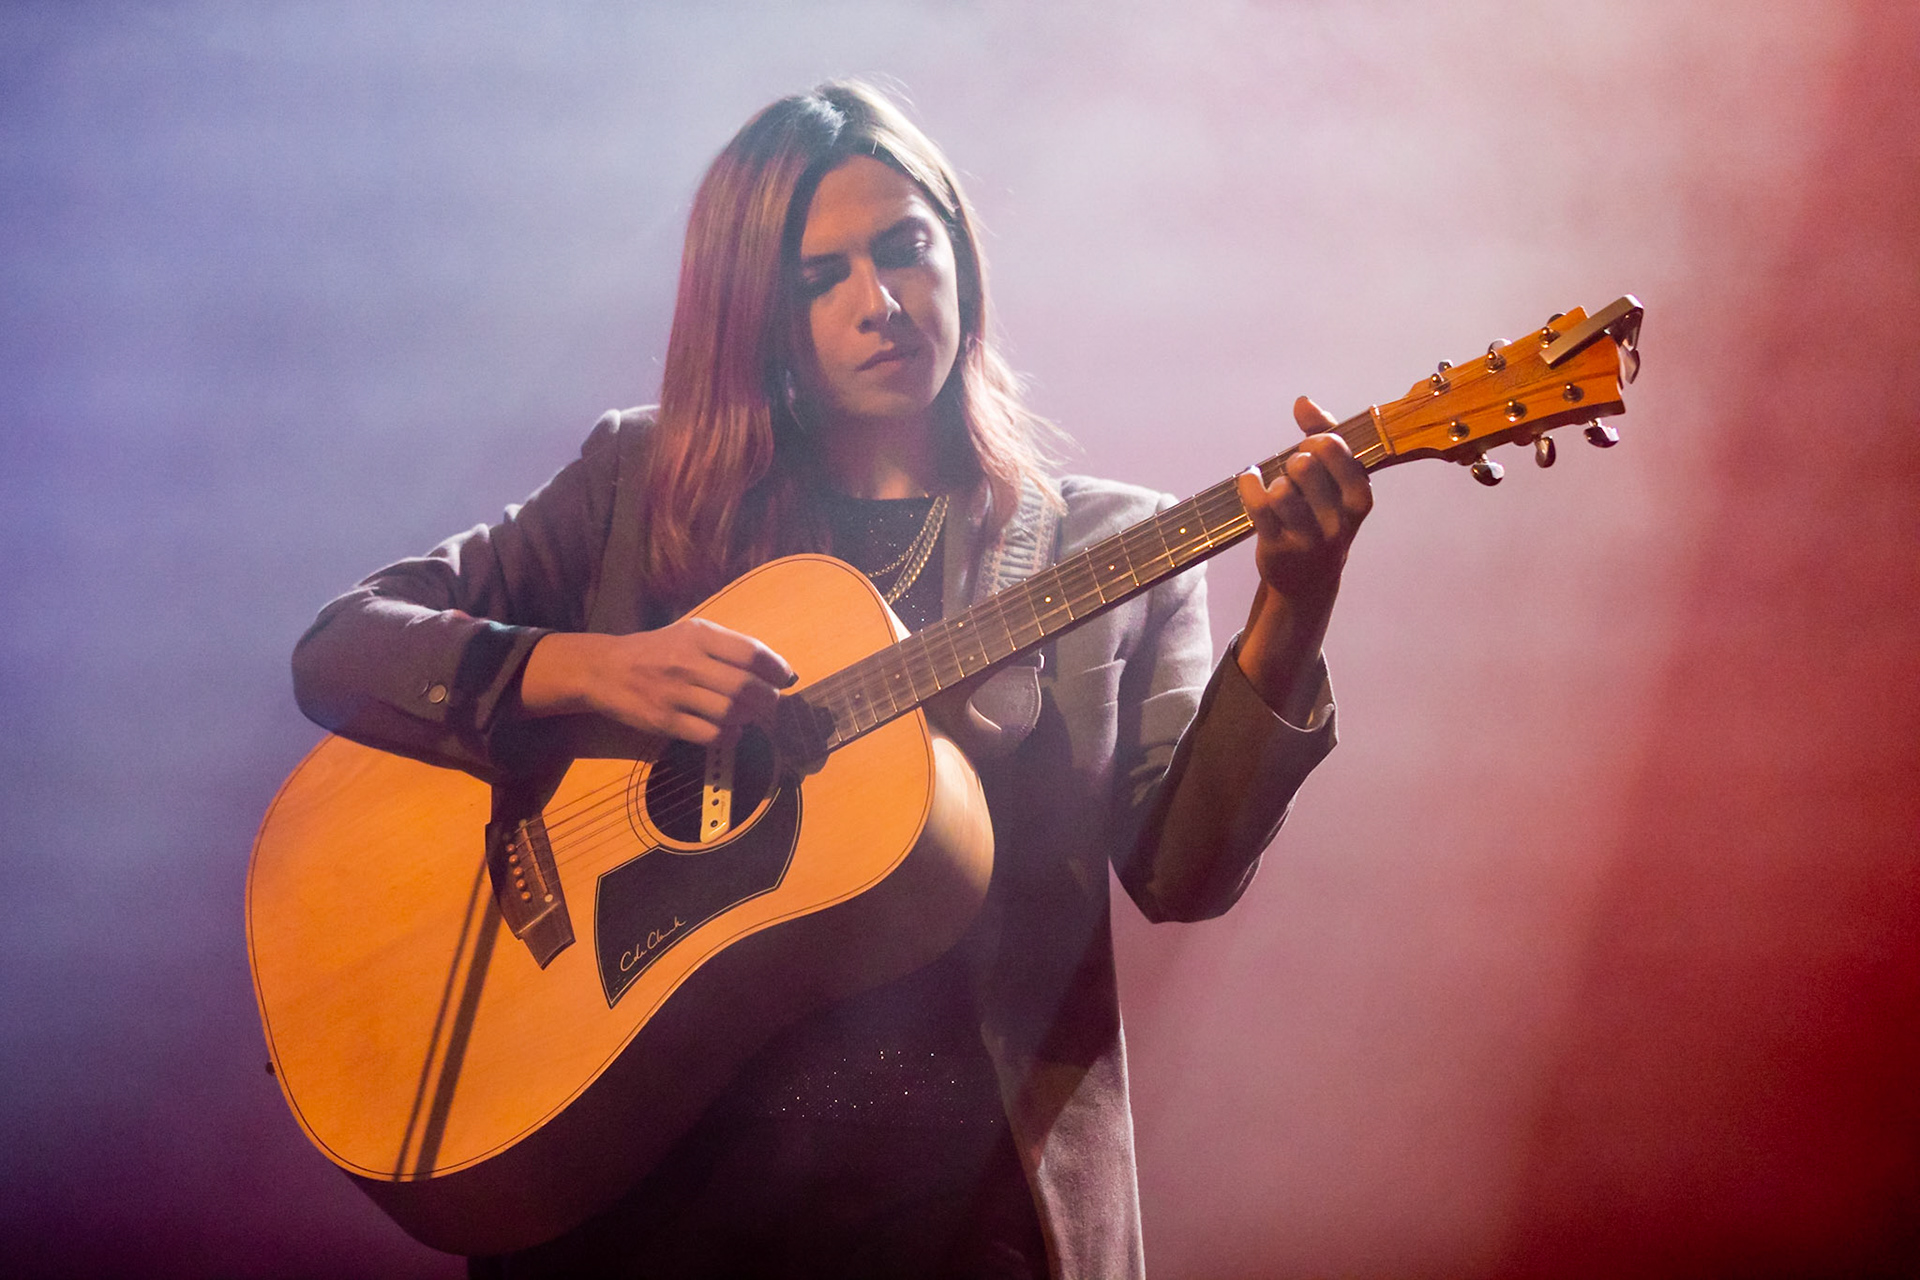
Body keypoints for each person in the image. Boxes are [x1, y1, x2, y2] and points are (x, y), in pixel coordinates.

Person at [292, 81, 1371, 1280]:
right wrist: (596, 670)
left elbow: (1185, 873)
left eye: (907, 250)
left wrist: (1296, 603)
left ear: (959, 252)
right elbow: (342, 644)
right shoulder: (635, 487)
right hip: (645, 1203)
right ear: (753, 312)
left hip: (970, 1218)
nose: (882, 303)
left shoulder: (1112, 547)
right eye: (821, 278)